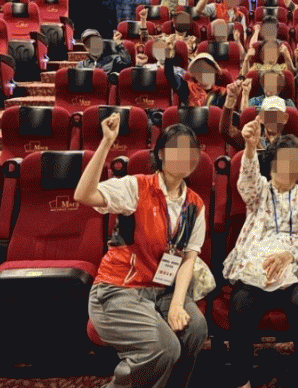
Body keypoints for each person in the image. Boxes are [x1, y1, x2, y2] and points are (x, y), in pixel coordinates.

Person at [77, 116, 208, 388]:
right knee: (164, 348)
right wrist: (106, 143)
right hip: (118, 289)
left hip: (161, 290)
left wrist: (176, 304)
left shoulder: (195, 205)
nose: (185, 156)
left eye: (191, 150)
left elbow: (188, 260)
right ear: (160, 154)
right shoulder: (136, 187)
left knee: (195, 329)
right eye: (177, 149)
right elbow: (84, 195)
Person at [223, 121, 298, 388]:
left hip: (295, 268)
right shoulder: (259, 193)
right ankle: (242, 381)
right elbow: (247, 182)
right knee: (240, 304)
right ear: (270, 164)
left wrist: (288, 256)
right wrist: (249, 147)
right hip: (257, 268)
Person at [220, 90, 289, 153]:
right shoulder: (250, 138)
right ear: (261, 118)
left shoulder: (289, 143)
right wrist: (230, 100)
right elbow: (226, 131)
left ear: (284, 119)